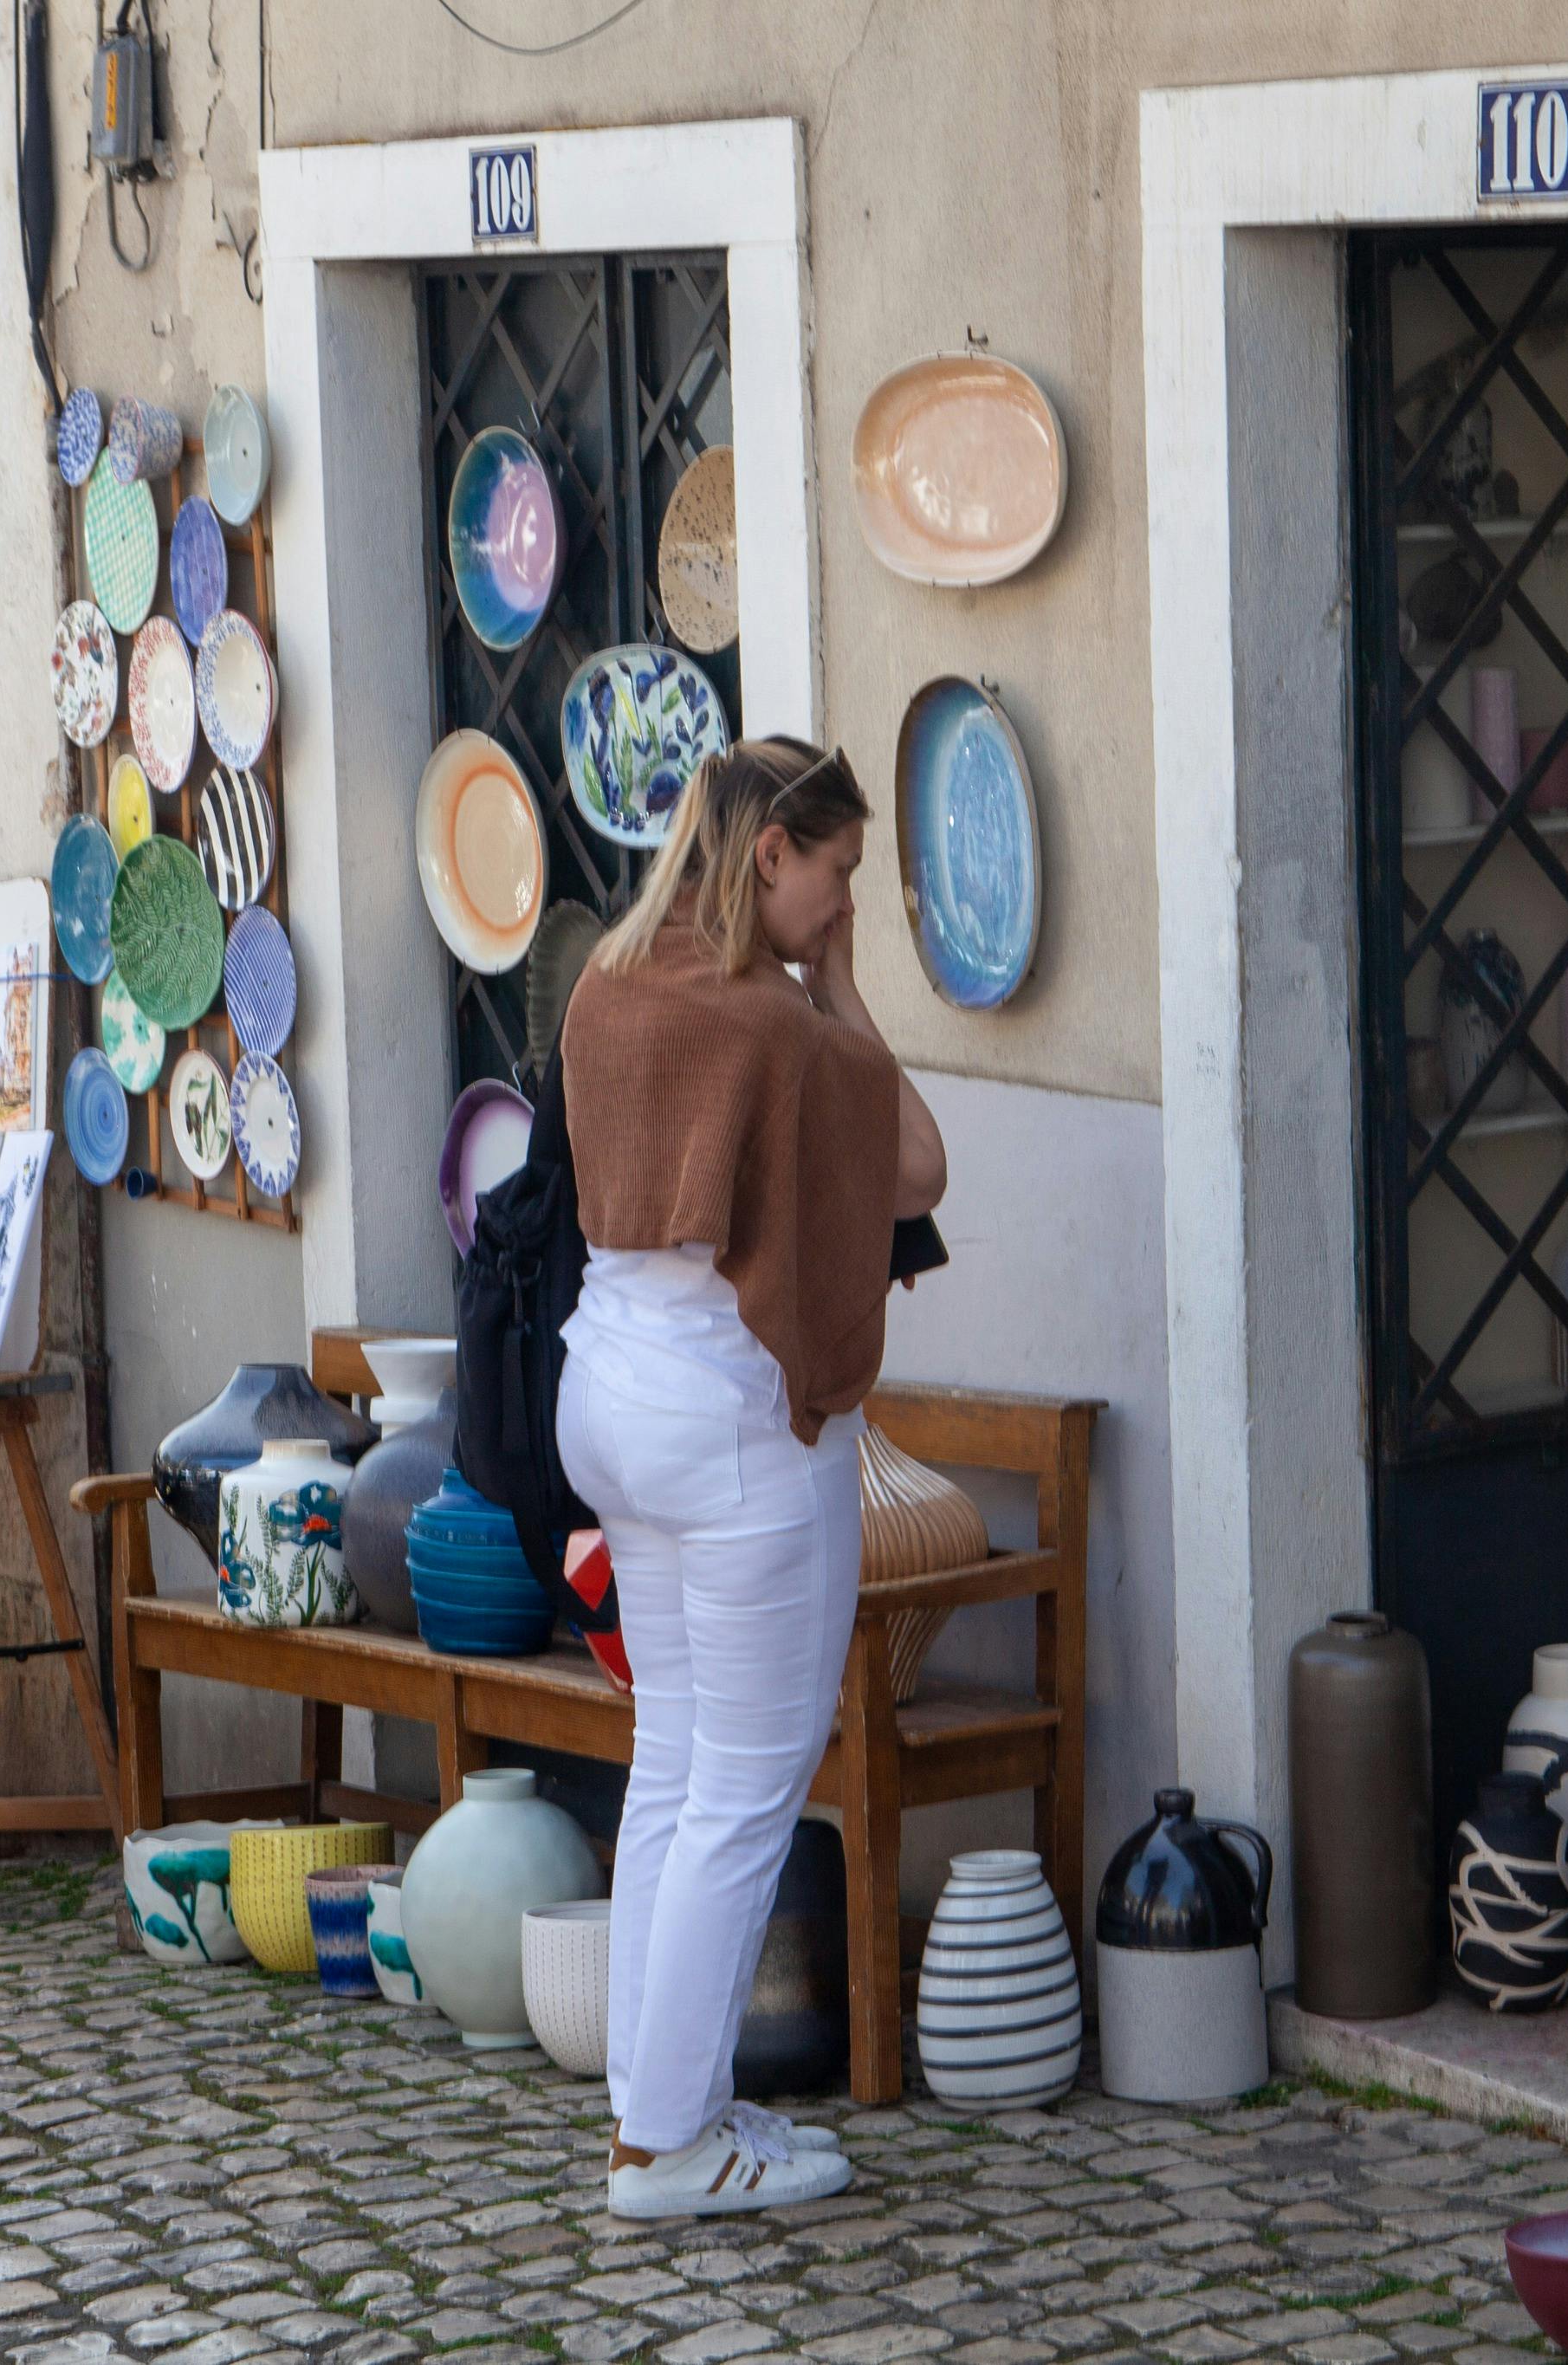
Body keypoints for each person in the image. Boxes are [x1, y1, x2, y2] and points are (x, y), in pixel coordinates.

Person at [555, 735, 946, 2218]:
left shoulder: (608, 982)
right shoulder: (776, 1027)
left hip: (609, 1396)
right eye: (840, 874)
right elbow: (918, 1164)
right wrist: (840, 991)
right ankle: (670, 2145)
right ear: (773, 853)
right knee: (749, 1783)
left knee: (674, 1762)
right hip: (730, 1427)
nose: (845, 905)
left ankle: (656, 2114)